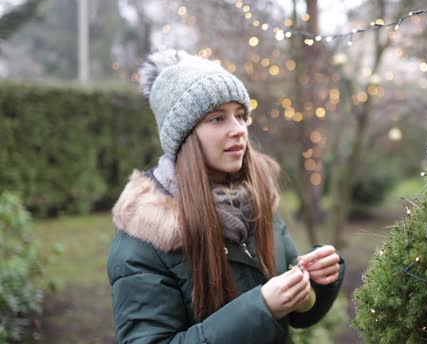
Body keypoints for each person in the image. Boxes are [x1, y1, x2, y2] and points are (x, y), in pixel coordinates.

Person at [107, 49, 345, 343]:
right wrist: (261, 307)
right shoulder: (144, 241)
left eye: (241, 115)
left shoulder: (256, 201)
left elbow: (298, 315)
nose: (238, 130)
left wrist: (316, 283)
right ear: (183, 136)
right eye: (217, 119)